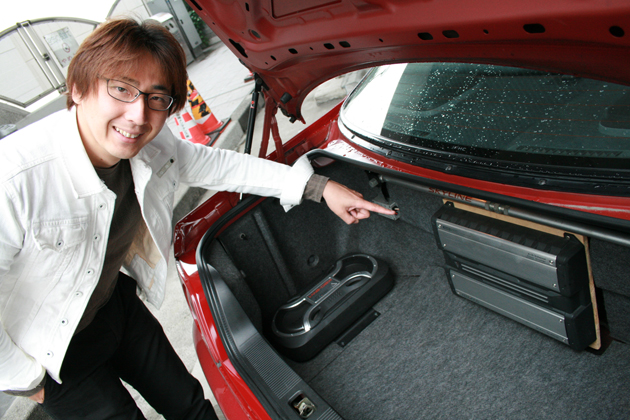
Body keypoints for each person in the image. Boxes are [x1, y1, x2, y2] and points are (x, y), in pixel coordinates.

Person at [0, 18, 394, 419]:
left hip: (113, 304)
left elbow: (218, 164)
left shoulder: (150, 144)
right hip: (51, 351)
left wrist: (319, 187)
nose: (138, 115)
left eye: (157, 97)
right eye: (121, 89)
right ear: (79, 88)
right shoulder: (13, 178)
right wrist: (27, 379)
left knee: (190, 406)